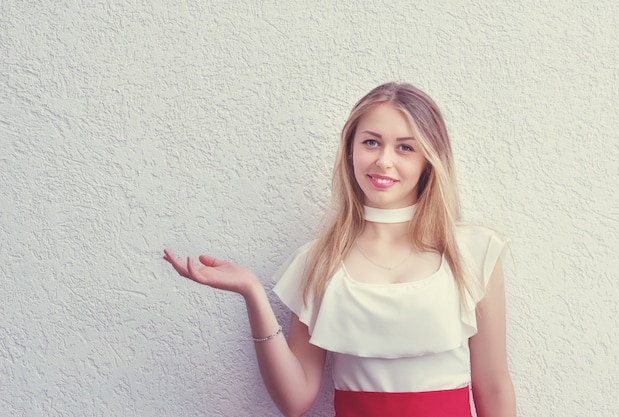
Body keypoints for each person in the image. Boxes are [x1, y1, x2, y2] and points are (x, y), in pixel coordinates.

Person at [163, 82, 516, 417]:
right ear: (350, 149)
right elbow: (294, 400)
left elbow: (494, 389)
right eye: (371, 142)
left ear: (430, 159)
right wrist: (252, 292)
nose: (383, 161)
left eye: (405, 147)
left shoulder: (473, 251)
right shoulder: (319, 262)